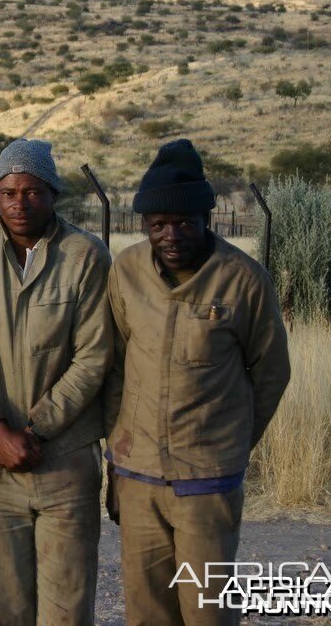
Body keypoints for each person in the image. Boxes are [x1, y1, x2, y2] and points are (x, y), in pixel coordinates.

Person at [105, 139, 291, 626]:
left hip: (208, 480)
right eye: (157, 224)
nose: (171, 235)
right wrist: (116, 457)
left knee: (207, 611)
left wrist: (230, 444)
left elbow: (270, 370)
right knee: (146, 612)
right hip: (137, 474)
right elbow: (118, 364)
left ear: (206, 218)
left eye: (184, 222)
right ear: (143, 224)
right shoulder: (126, 271)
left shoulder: (243, 280)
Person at [0, 138, 112, 626]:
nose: (20, 203)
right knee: (2, 606)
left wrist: (34, 432)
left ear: (53, 193)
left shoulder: (85, 254)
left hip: (67, 459)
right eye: (9, 192)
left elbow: (94, 355)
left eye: (33, 191)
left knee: (67, 607)